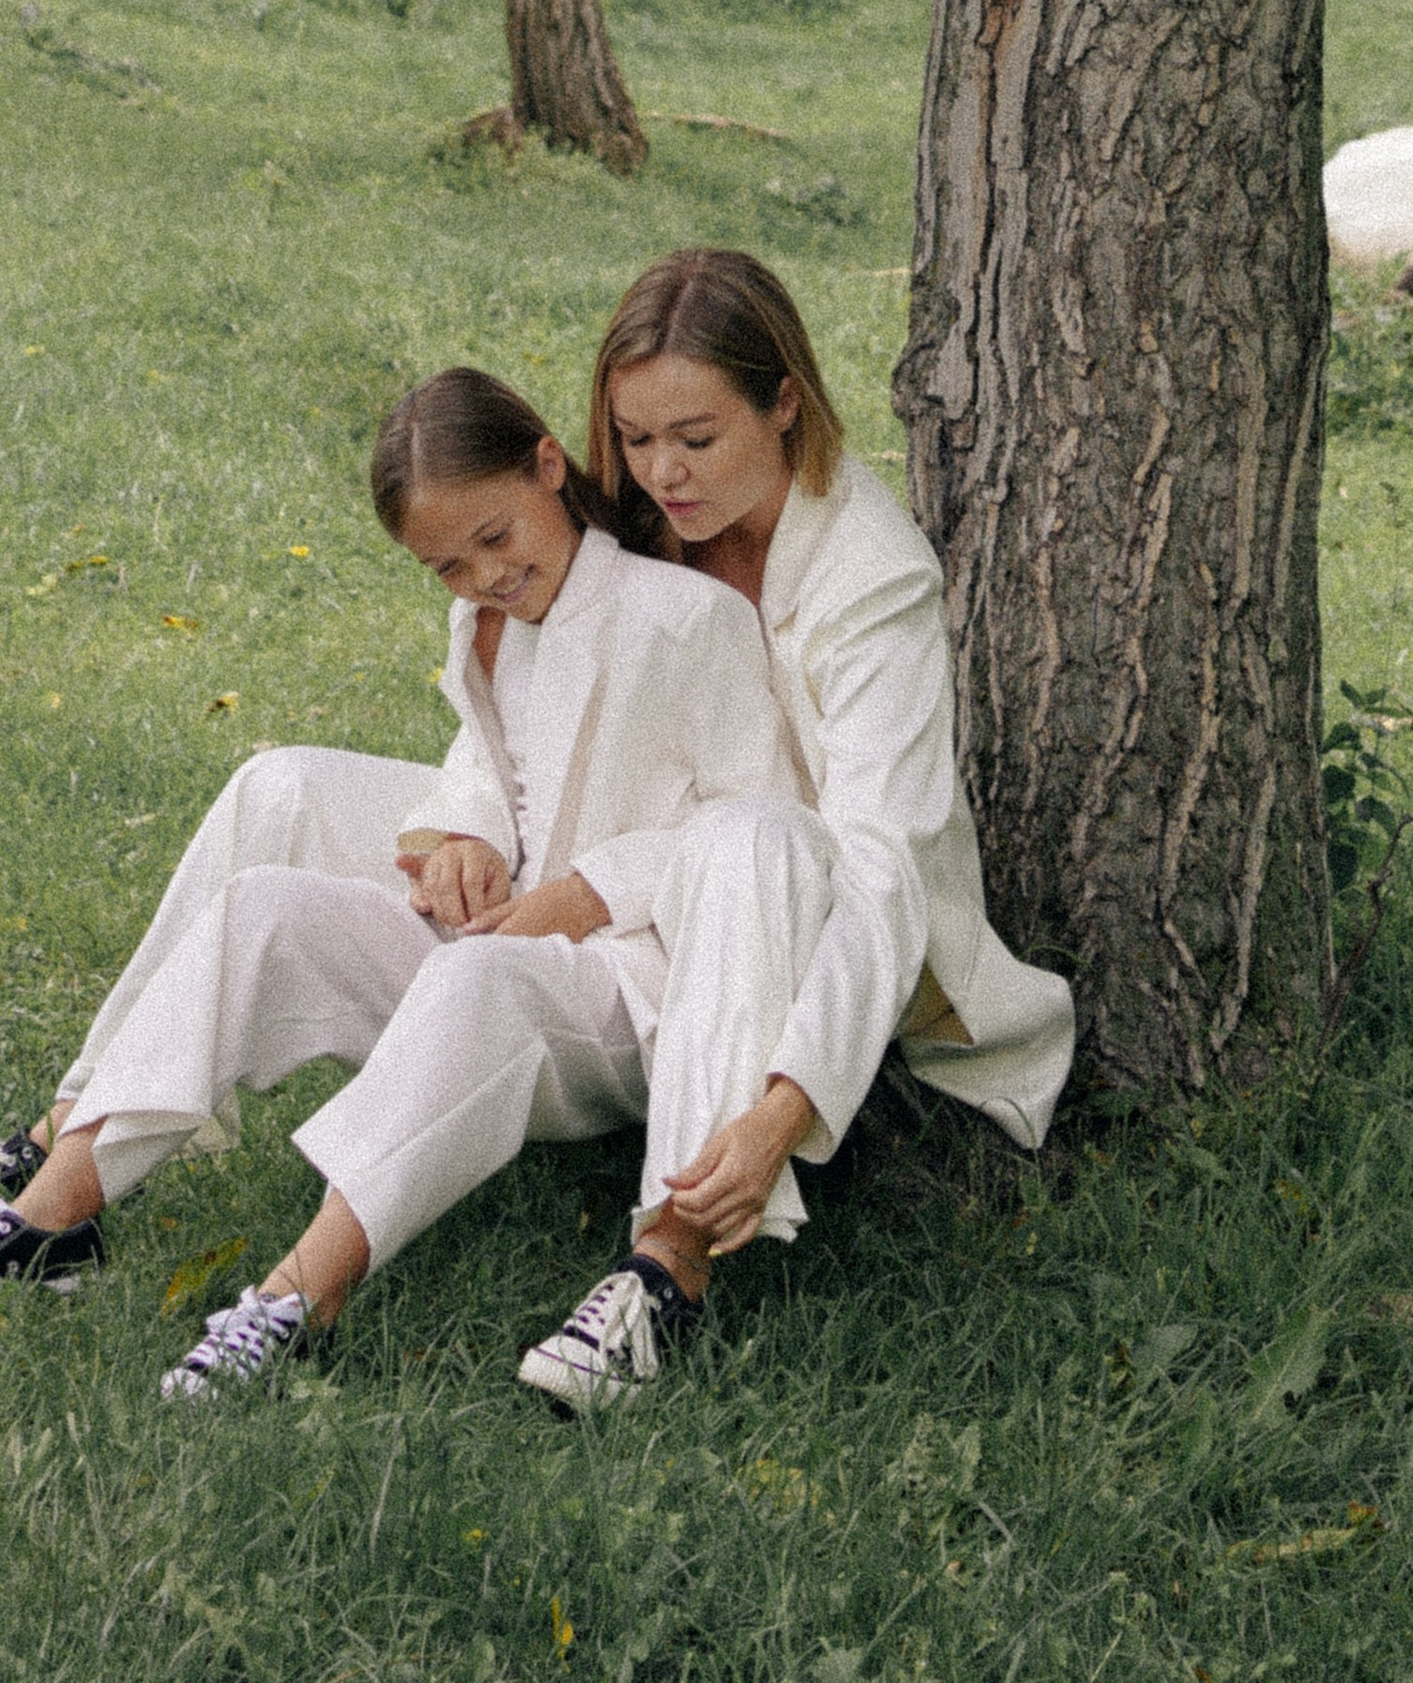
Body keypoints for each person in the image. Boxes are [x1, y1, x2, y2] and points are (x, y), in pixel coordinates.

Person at [0, 368, 817, 1403]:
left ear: (548, 467)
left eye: (495, 538)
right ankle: (54, 1214)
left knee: (478, 979)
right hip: (509, 925)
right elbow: (487, 756)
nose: (484, 575)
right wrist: (466, 835)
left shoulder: (688, 620)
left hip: (634, 986)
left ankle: (296, 1300)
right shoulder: (485, 620)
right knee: (264, 907)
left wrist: (587, 891)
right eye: (447, 566)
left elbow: (761, 831)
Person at [518, 248, 1073, 1388]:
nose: (661, 471)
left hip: (827, 923)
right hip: (636, 876)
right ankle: (125, 1148)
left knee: (750, 839)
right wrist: (455, 829)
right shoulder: (634, 533)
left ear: (784, 403)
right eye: (634, 436)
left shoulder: (871, 578)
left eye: (696, 436)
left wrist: (785, 1110)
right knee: (287, 793)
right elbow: (512, 679)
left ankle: (661, 1276)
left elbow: (883, 866)